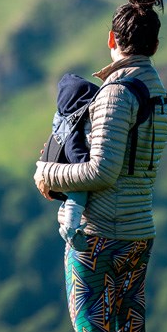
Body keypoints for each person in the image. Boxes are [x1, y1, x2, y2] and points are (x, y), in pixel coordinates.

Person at [34, 0, 167, 332]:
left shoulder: (116, 93)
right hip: (139, 233)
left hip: (97, 237)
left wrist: (47, 174)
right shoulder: (159, 92)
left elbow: (101, 172)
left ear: (113, 39)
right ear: (152, 44)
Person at [51, 73, 99, 251]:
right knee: (77, 198)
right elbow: (73, 149)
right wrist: (85, 164)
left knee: (73, 202)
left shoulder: (64, 121)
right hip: (76, 176)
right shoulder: (73, 124)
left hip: (69, 174)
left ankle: (70, 225)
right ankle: (70, 230)